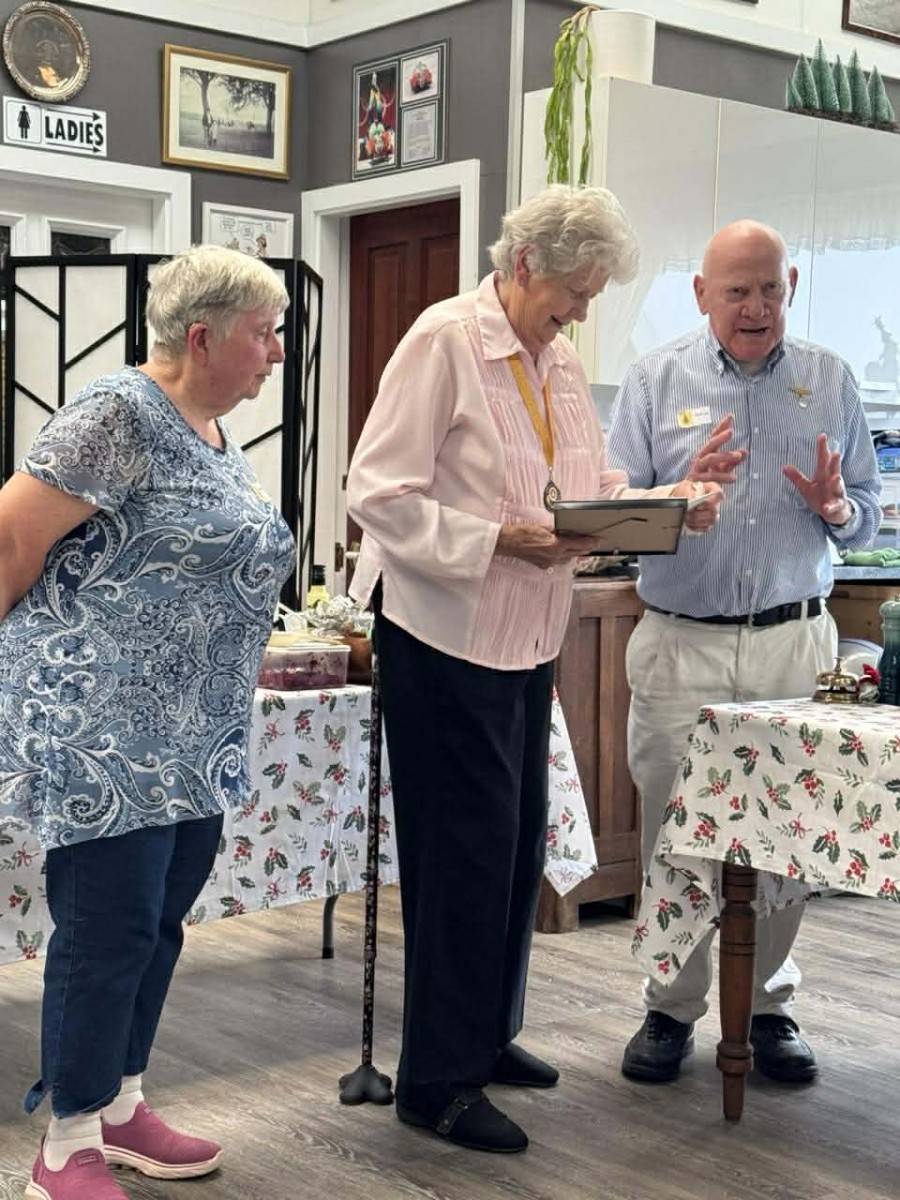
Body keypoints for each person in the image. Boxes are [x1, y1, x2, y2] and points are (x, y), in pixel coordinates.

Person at [346, 185, 724, 1154]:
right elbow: (376, 492)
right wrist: (496, 538)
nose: (581, 313)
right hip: (442, 635)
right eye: (574, 292)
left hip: (526, 636)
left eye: (592, 297)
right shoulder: (444, 340)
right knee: (462, 859)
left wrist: (671, 502)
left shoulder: (555, 361)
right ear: (522, 265)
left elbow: (585, 489)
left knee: (513, 851)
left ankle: (484, 1033)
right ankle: (436, 1082)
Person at [0, 245, 294, 1200]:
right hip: (105, 733)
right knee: (107, 931)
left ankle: (120, 1104)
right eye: (265, 334)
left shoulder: (210, 434)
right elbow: (10, 542)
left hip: (193, 733)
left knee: (159, 926)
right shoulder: (117, 413)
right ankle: (66, 1144)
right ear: (202, 337)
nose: (277, 353)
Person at [608, 219, 881, 1086]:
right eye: (736, 291)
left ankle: (768, 1005)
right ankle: (669, 1008)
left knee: (789, 833)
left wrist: (839, 511)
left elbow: (868, 511)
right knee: (675, 832)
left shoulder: (829, 378)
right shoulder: (654, 379)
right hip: (680, 644)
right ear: (701, 294)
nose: (755, 307)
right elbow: (614, 514)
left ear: (790, 286)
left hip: (794, 643)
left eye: (769, 288)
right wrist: (675, 497)